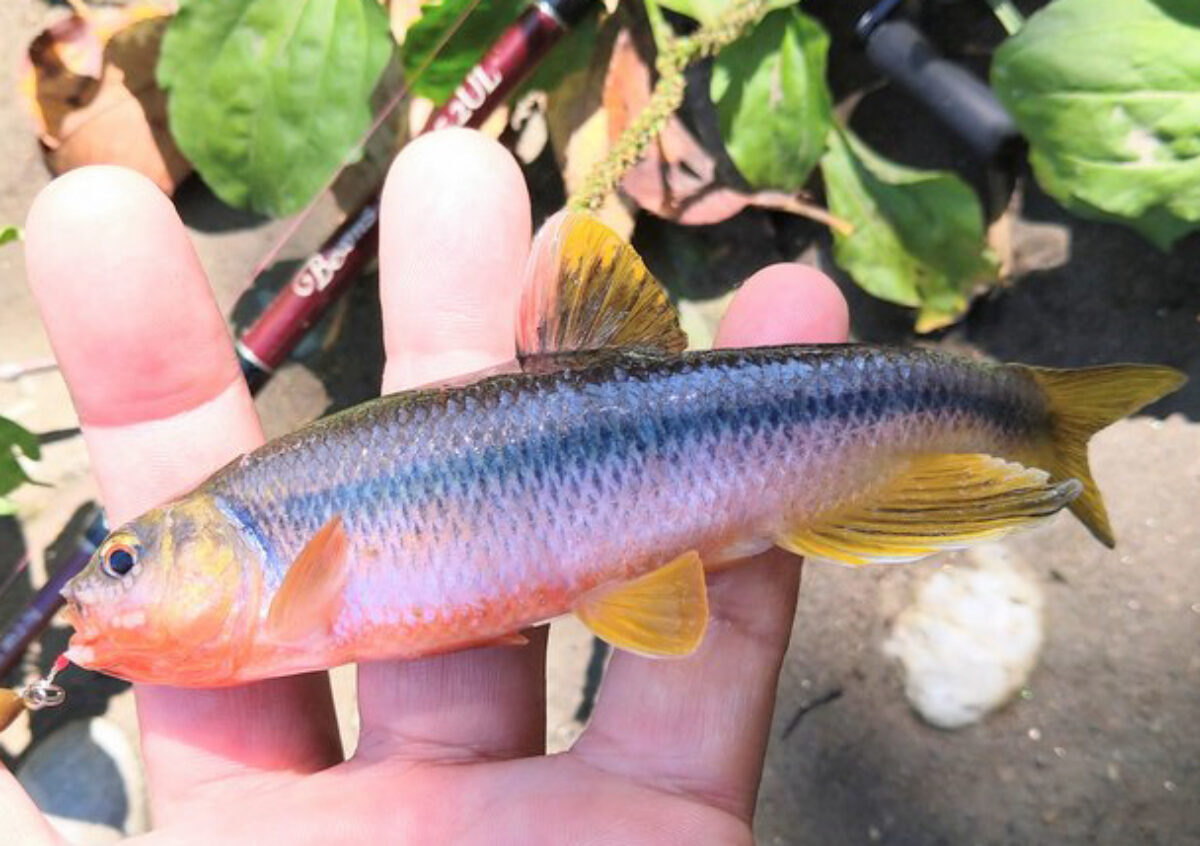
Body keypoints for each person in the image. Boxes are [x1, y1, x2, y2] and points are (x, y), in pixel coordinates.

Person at [4, 129, 849, 843]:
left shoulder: (280, 592)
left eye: (121, 561)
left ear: (212, 538)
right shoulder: (261, 596)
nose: (97, 583)